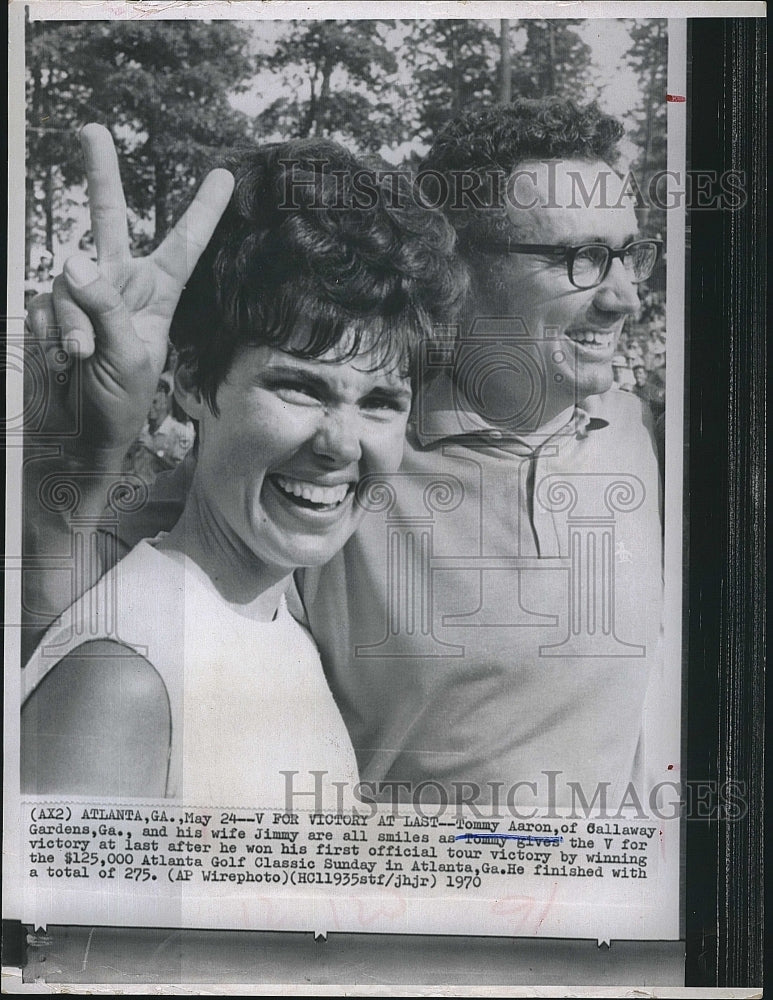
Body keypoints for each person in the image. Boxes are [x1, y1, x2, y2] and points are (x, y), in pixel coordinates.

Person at [23, 99, 665, 811]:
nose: (624, 297)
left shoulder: (633, 429)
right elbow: (85, 626)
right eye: (578, 258)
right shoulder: (339, 461)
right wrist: (78, 457)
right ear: (466, 268)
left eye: (629, 254)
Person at [20, 126, 465, 803]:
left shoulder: (278, 623)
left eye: (380, 401)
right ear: (193, 385)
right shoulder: (122, 678)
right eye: (300, 386)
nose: (342, 444)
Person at [122, 373, 195, 485]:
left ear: (165, 402)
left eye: (154, 402)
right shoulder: (141, 432)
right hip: (133, 493)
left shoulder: (180, 433)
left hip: (161, 497)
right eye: (147, 403)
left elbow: (184, 474)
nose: (150, 408)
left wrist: (155, 450)